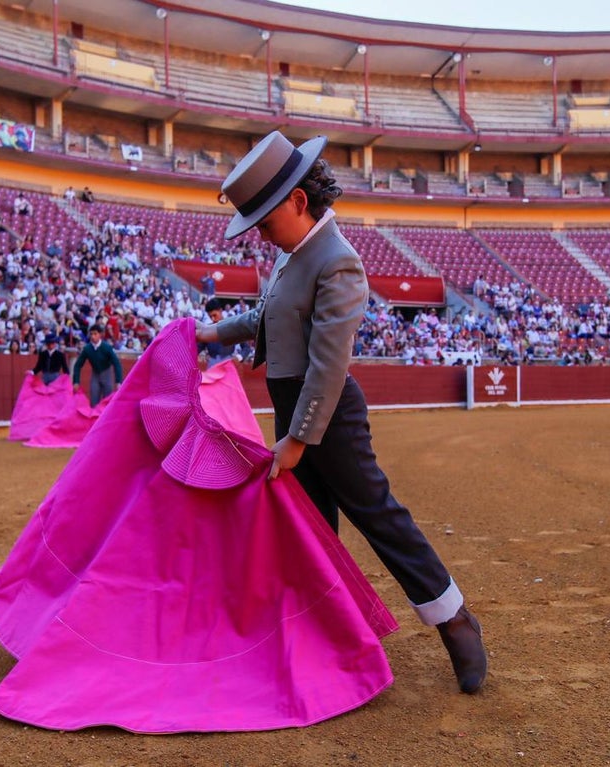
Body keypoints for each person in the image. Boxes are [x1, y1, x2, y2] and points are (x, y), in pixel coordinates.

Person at [195, 131, 487, 694]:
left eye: (263, 218)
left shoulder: (338, 261)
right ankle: (325, 635)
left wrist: (298, 439)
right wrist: (209, 332)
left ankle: (454, 620)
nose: (259, 231)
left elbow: (328, 366)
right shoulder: (292, 255)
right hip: (293, 412)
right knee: (310, 530)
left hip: (326, 415)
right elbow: (264, 317)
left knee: (376, 514)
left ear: (298, 202)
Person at [72, 325, 122, 406]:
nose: (92, 336)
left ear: (100, 335)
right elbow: (77, 365)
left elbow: (116, 363)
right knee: (94, 401)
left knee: (107, 402)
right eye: (91, 334)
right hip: (95, 374)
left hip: (107, 374)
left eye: (95, 334)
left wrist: (118, 381)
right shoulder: (87, 349)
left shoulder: (107, 347)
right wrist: (76, 381)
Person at [198, 297, 233, 367]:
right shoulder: (207, 329)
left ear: (220, 311)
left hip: (228, 363)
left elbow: (245, 347)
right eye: (210, 317)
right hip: (212, 364)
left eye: (214, 315)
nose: (213, 319)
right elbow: (198, 348)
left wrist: (239, 356)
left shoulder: (232, 326)